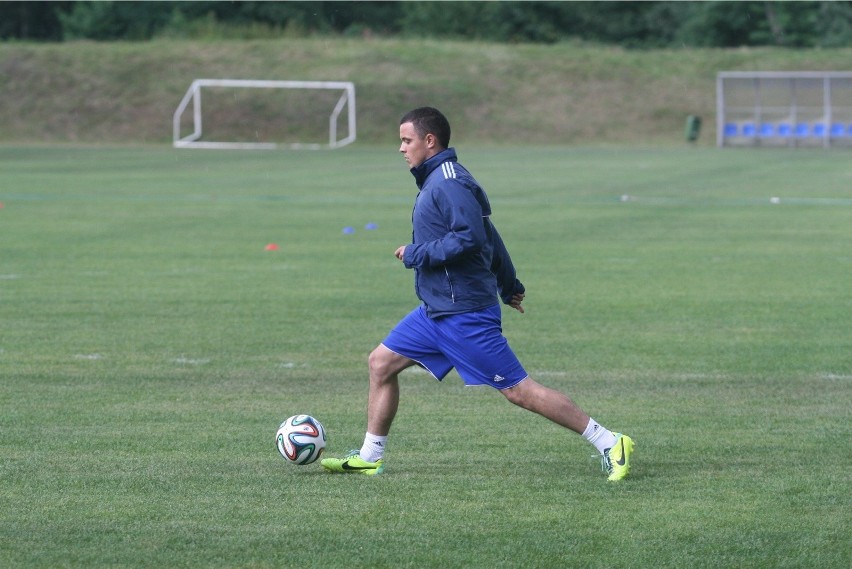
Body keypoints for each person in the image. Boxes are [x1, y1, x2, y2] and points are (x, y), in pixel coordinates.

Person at [321, 107, 634, 480]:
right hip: (436, 310)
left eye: (406, 141)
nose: (401, 149)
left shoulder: (448, 182)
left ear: (429, 141)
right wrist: (509, 283)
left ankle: (610, 441)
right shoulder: (439, 178)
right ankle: (371, 455)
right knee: (381, 363)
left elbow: (471, 238)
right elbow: (489, 234)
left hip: (463, 313)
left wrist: (417, 253)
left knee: (519, 391)